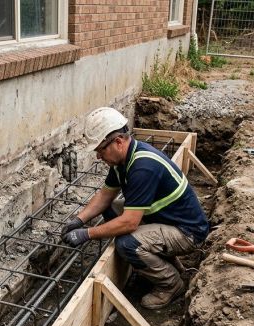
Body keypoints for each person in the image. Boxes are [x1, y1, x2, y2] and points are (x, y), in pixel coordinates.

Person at [61, 107, 210, 309]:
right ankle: (158, 258)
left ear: (118, 142)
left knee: (127, 243)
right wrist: (79, 220)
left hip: (187, 232)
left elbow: (130, 222)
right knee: (111, 207)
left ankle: (171, 284)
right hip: (166, 220)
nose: (98, 157)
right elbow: (105, 196)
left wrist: (86, 234)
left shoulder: (142, 167)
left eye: (100, 150)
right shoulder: (123, 161)